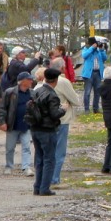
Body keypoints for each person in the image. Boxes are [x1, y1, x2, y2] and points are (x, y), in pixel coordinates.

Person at [29, 68, 66, 196]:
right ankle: (45, 188)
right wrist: (63, 109)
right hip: (47, 130)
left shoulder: (37, 91)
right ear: (55, 80)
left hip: (35, 128)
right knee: (49, 159)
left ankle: (37, 186)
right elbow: (54, 114)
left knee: (39, 158)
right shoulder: (52, 95)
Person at [46, 58, 81, 190]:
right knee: (59, 151)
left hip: (48, 120)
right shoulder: (63, 81)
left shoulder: (44, 80)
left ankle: (46, 177)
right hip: (62, 119)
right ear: (61, 68)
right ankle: (55, 179)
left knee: (48, 150)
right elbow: (76, 100)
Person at [0, 71, 35, 175]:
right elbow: (3, 108)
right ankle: (9, 166)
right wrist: (2, 122)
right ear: (23, 81)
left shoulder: (32, 93)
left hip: (26, 125)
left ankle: (26, 167)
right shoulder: (10, 92)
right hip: (12, 124)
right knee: (10, 148)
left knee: (27, 147)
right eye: (29, 79)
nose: (31, 81)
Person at [79, 37, 108, 113]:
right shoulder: (86, 49)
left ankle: (96, 108)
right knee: (87, 92)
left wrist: (102, 50)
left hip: (98, 73)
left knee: (97, 92)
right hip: (89, 74)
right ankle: (86, 109)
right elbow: (84, 55)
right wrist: (92, 48)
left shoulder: (98, 51)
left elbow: (105, 58)